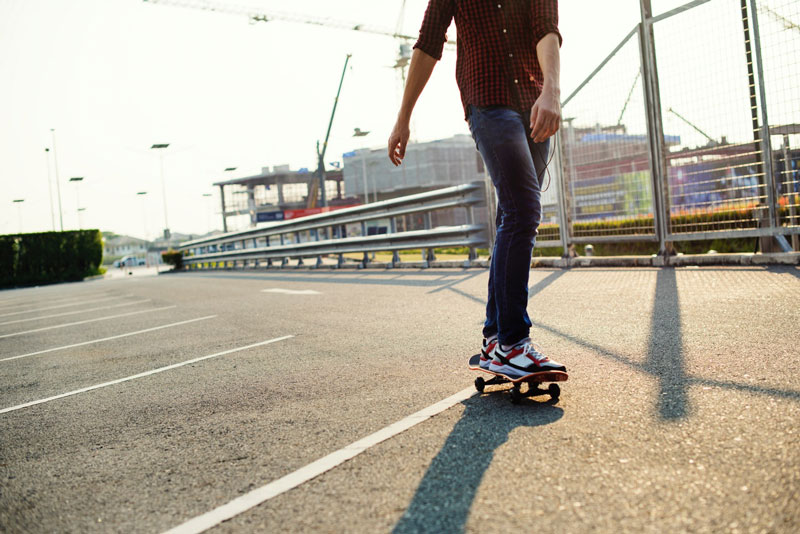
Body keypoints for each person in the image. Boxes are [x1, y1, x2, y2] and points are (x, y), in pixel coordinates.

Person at [387, 0, 567, 378]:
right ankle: (513, 343)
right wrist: (403, 118)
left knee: (511, 216)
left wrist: (551, 91)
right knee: (523, 212)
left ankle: (494, 338)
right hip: (487, 103)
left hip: (533, 101)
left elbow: (545, 28)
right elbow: (428, 43)